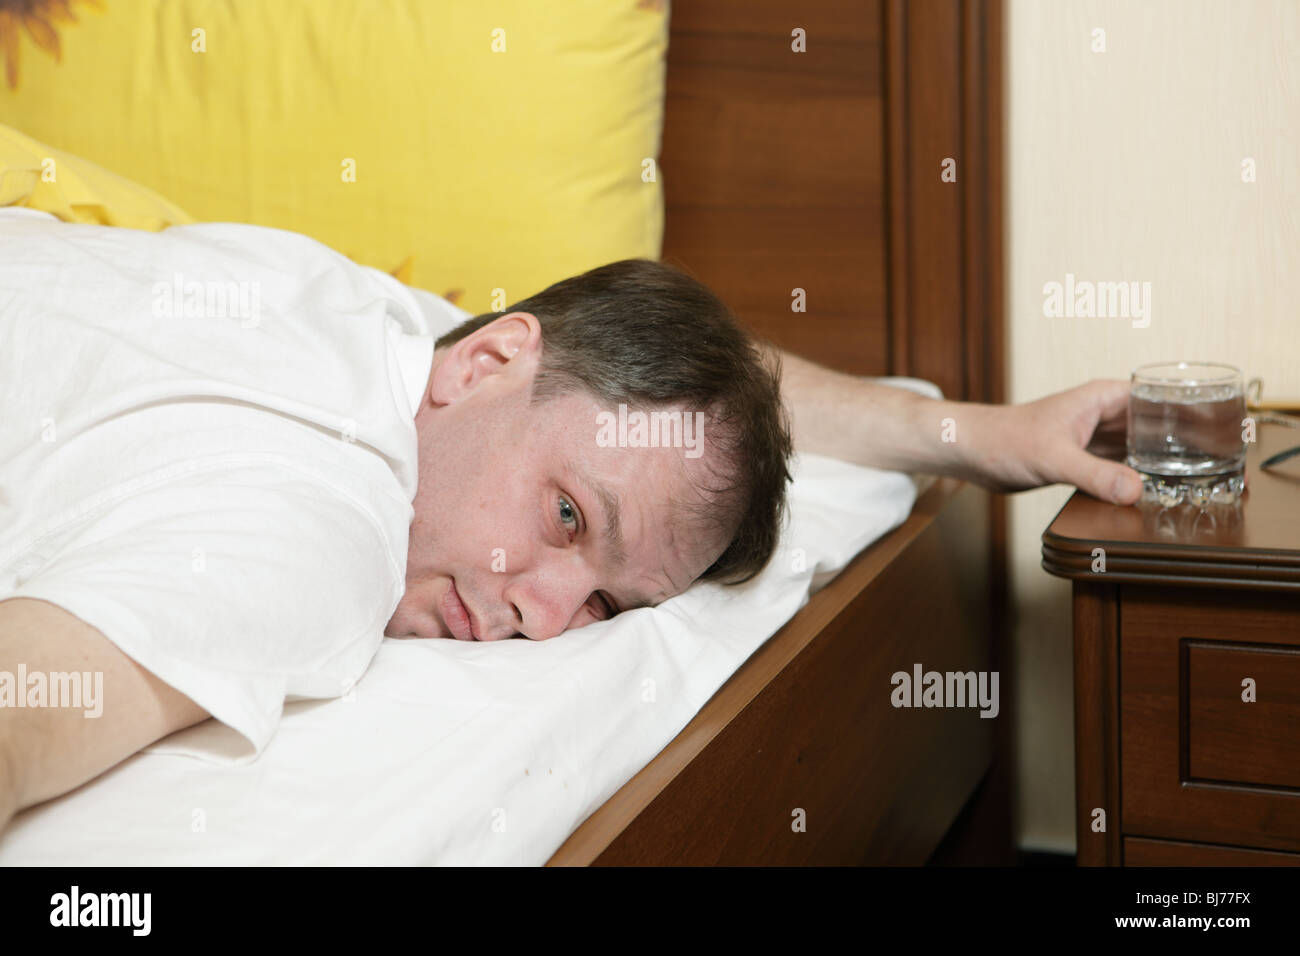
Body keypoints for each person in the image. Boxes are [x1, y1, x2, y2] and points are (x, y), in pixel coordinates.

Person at [0, 213, 1143, 835]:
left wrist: (988, 435)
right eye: (565, 515)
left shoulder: (391, 331)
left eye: (603, 600)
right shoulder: (316, 531)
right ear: (490, 357)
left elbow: (705, 400)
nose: (545, 613)